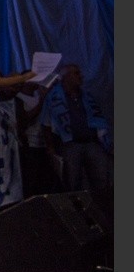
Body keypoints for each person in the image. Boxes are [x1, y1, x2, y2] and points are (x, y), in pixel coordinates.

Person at [40, 64, 113, 193]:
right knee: (73, 181)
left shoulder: (86, 96)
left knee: (102, 179)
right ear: (66, 77)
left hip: (92, 142)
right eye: (76, 73)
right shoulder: (54, 98)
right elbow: (46, 124)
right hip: (69, 144)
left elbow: (97, 118)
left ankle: (103, 208)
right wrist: (50, 149)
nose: (81, 76)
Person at [14, 77, 62, 197]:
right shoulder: (18, 98)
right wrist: (42, 100)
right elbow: (25, 119)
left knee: (47, 180)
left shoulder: (38, 95)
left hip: (45, 144)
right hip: (30, 144)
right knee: (33, 179)